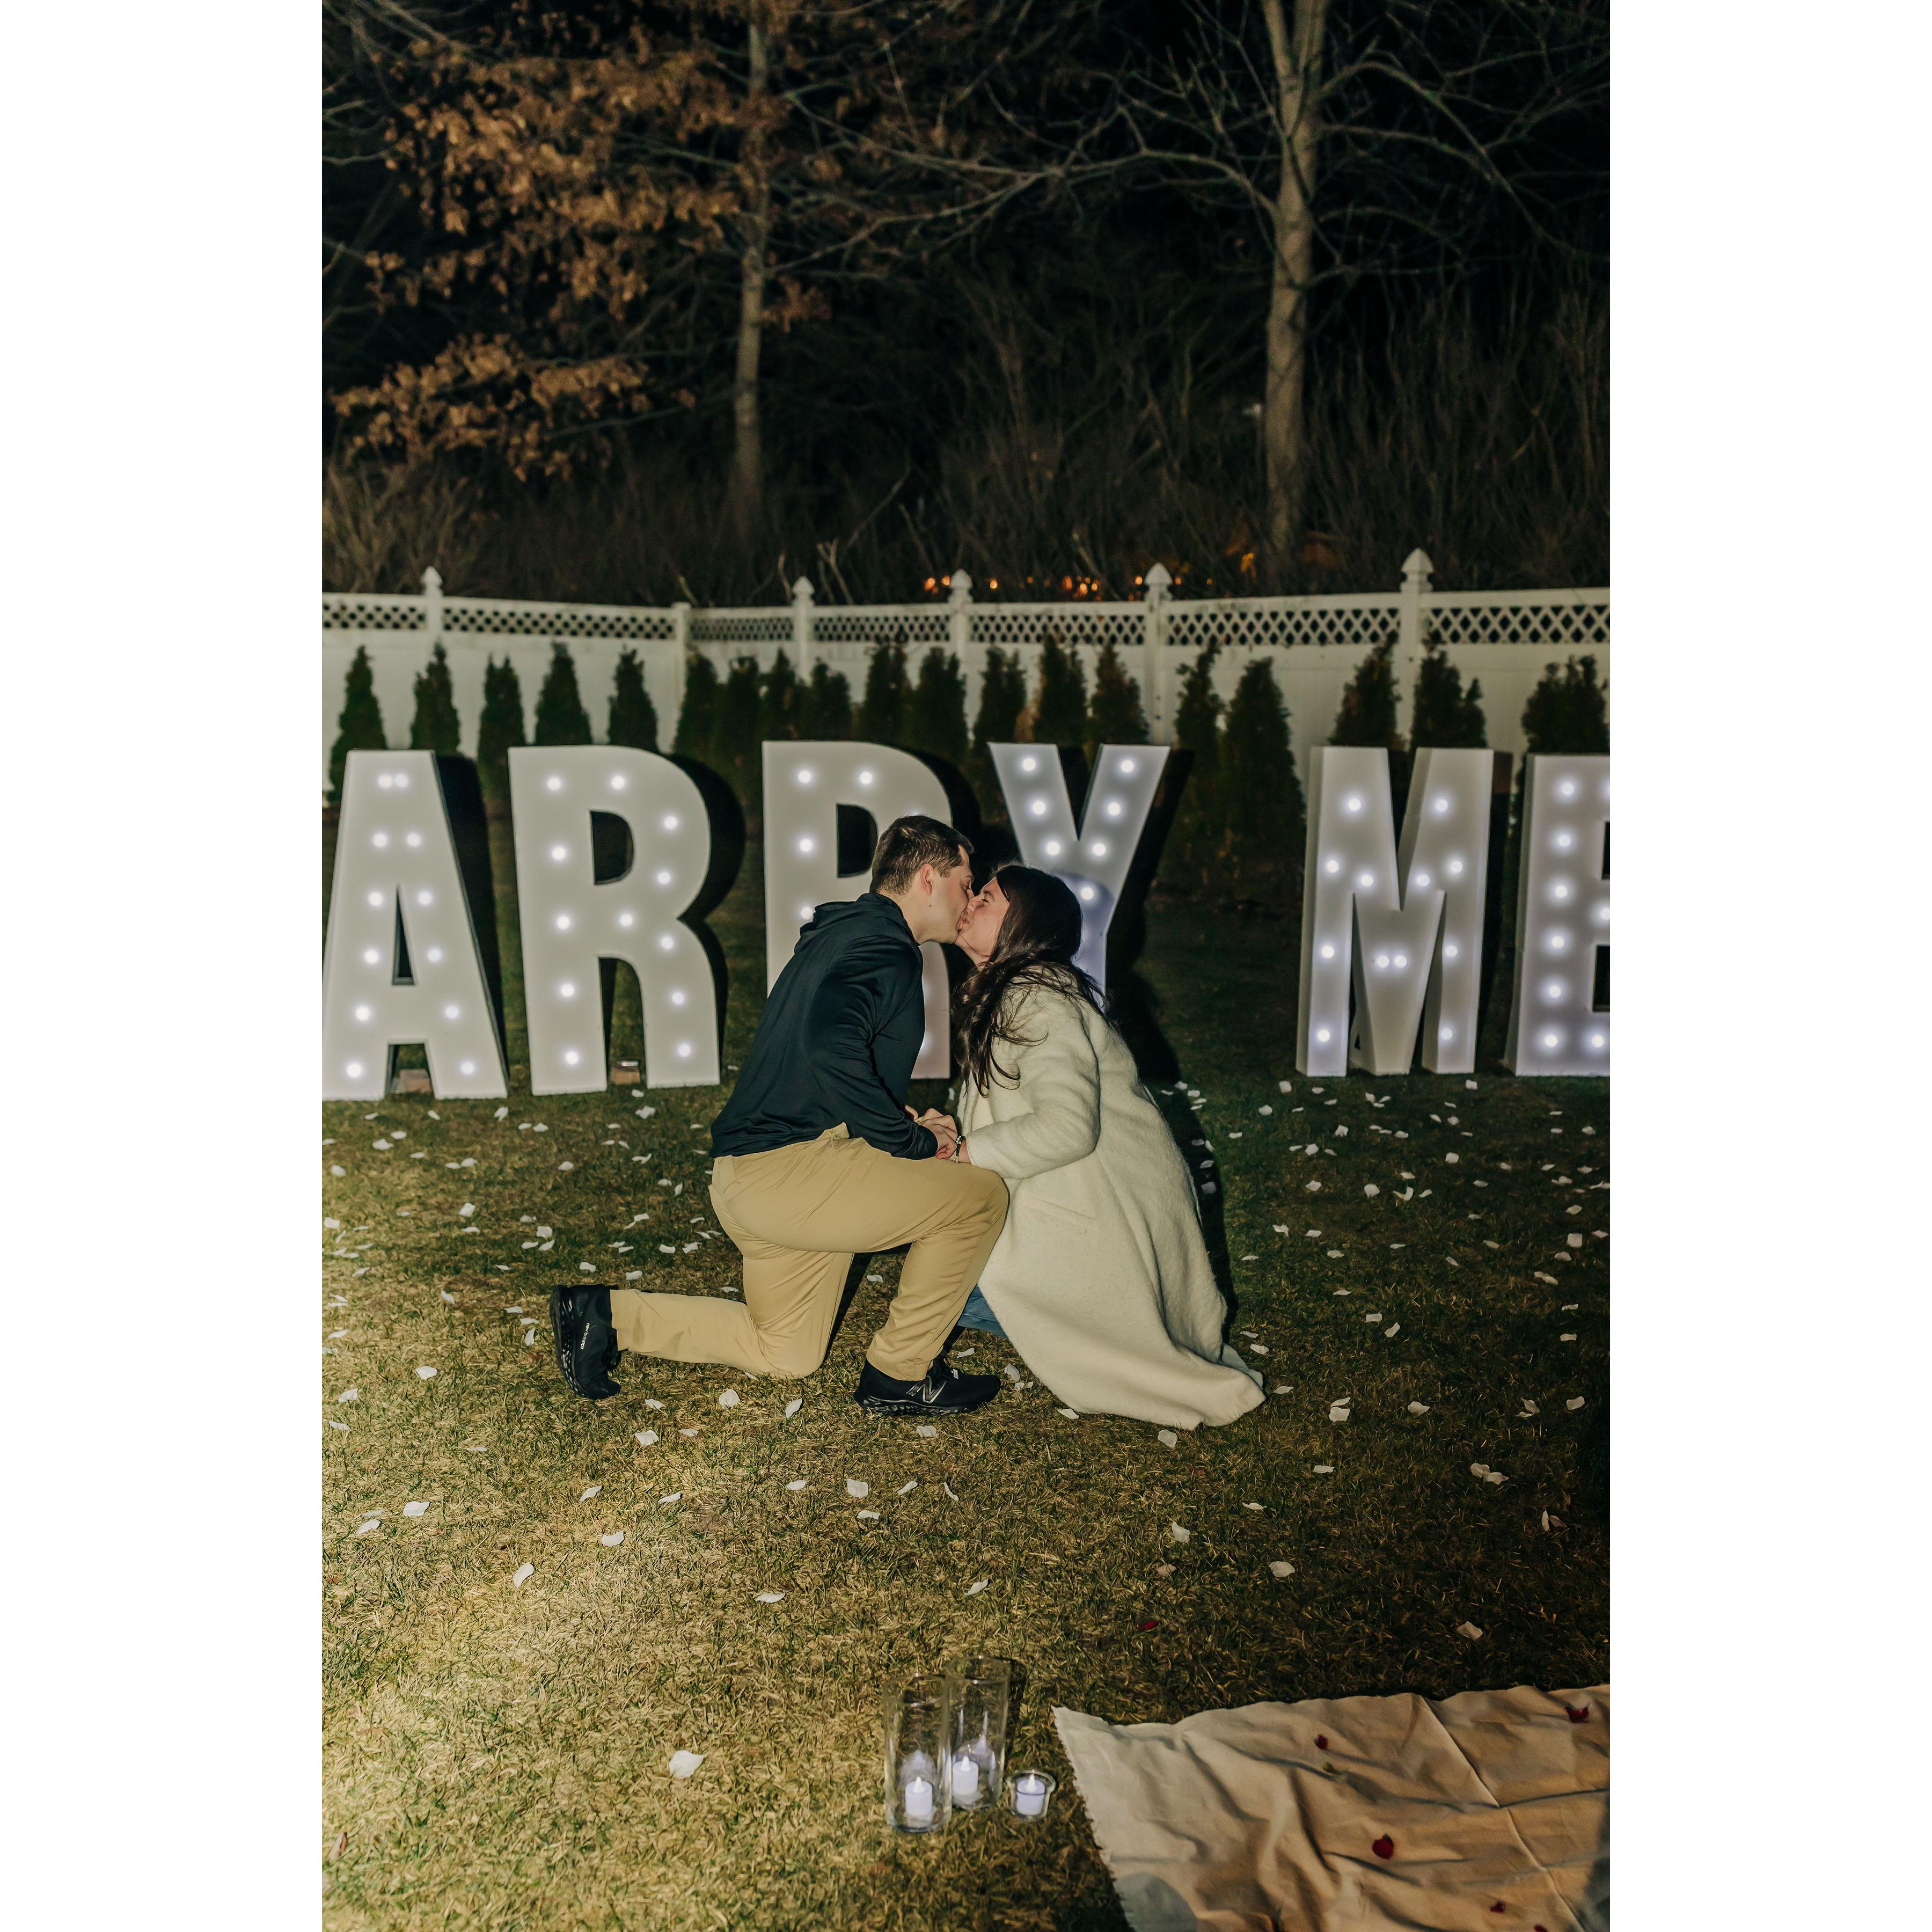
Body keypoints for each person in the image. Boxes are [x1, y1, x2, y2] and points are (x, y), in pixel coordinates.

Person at [548, 815, 1011, 1418]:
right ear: (928, 878)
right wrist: (913, 1141)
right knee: (979, 1199)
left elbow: (818, 1065)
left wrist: (898, 1118)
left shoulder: (845, 935)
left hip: (752, 1180)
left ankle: (604, 1316)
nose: (969, 900)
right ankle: (902, 1375)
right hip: (793, 1174)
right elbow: (830, 1048)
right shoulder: (887, 948)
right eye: (964, 882)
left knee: (788, 1350)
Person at [946, 865, 1264, 1430]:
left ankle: (1081, 1316)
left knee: (942, 1282)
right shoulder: (1030, 991)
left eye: (986, 898)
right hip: (1106, 1205)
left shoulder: (1033, 997)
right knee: (942, 1267)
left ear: (1021, 924)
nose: (969, 902)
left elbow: (1068, 1127)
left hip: (1100, 1219)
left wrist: (964, 1152)